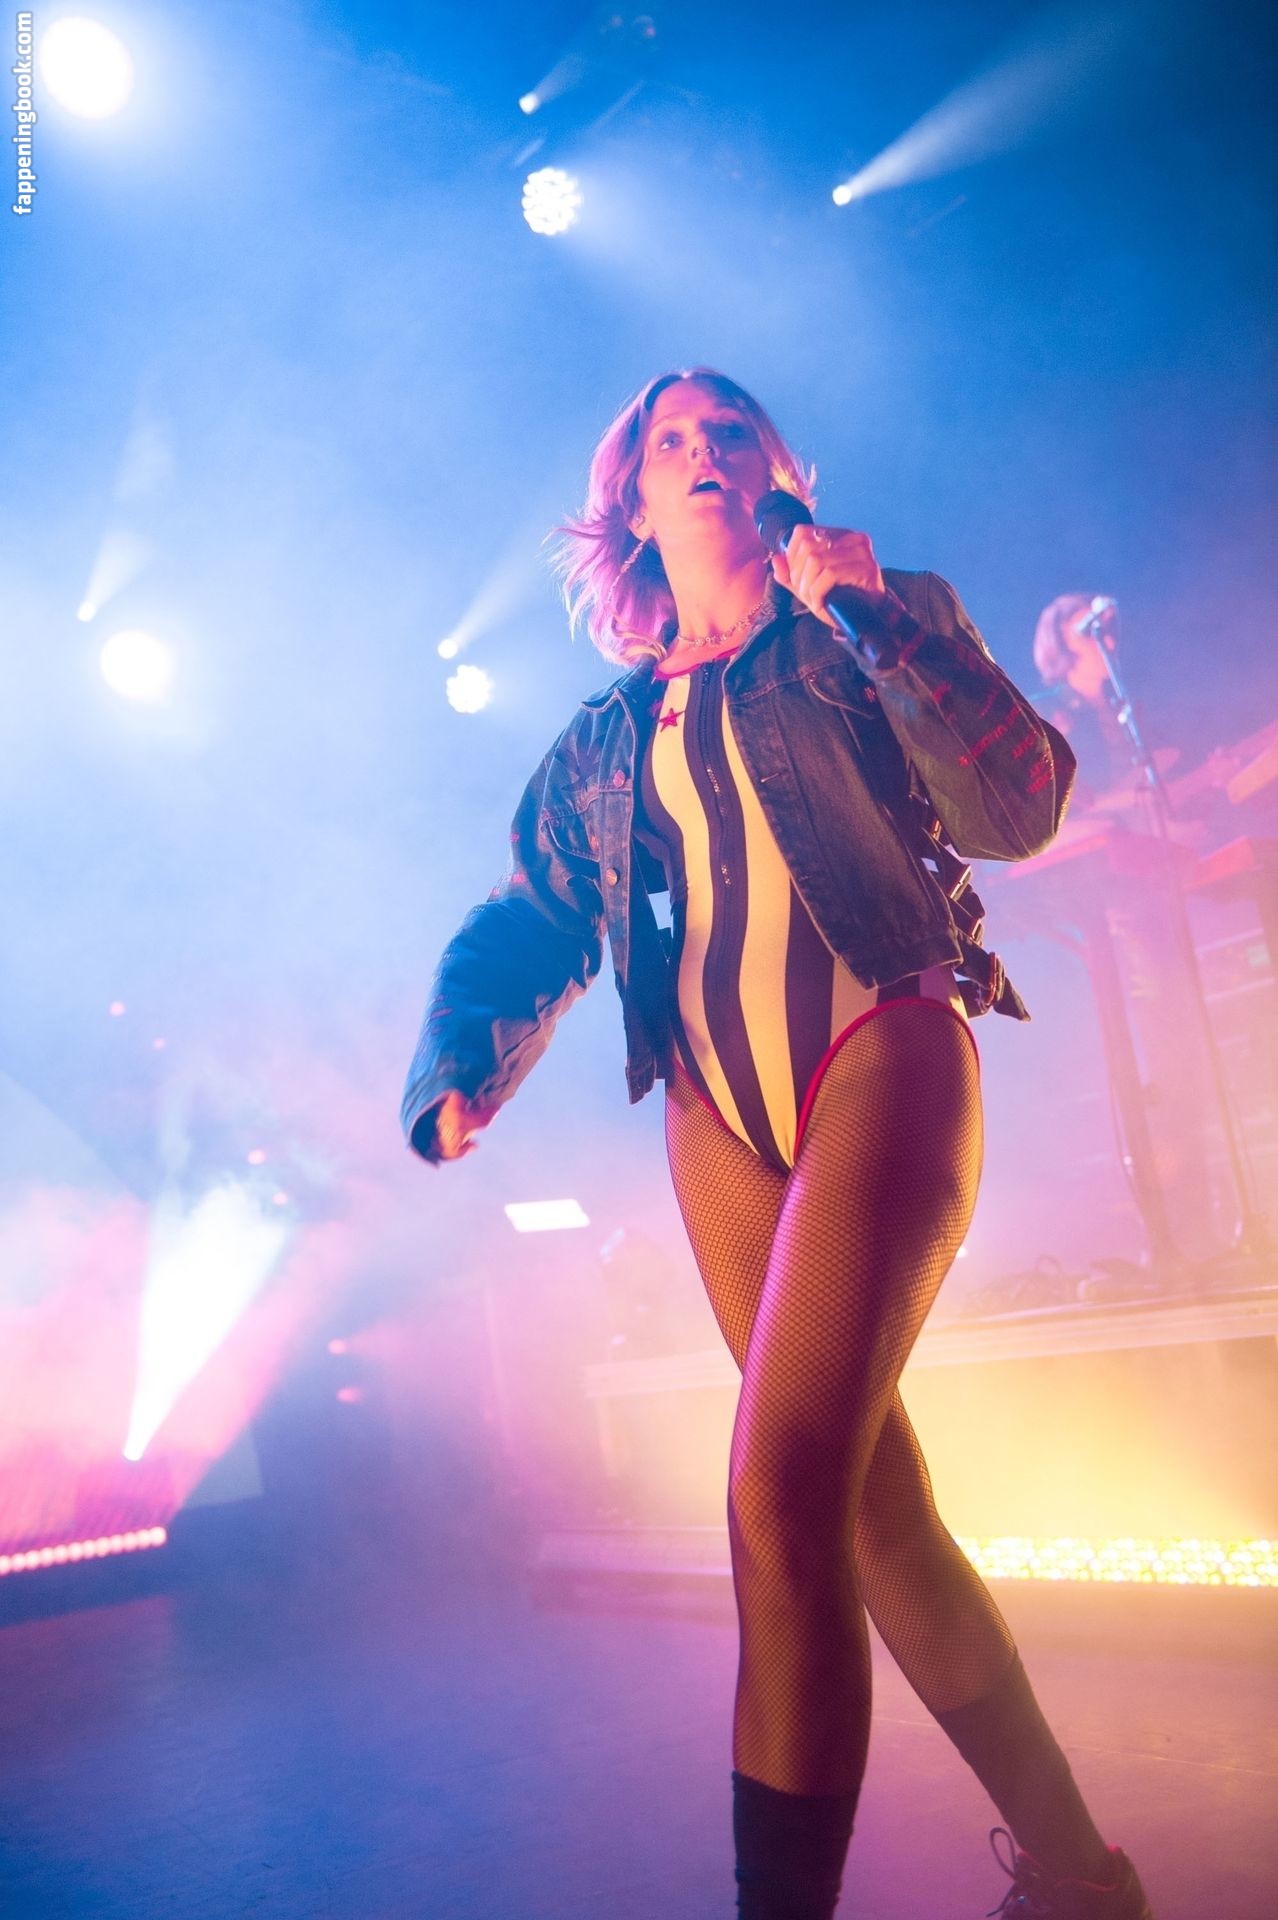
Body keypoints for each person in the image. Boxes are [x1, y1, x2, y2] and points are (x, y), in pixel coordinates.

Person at [402, 370, 1154, 1919]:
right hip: (711, 1113)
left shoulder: (864, 624)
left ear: (776, 472)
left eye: (727, 433)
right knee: (872, 1513)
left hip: (884, 1041)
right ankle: (1084, 1882)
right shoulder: (604, 739)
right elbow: (533, 913)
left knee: (774, 1496)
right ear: (631, 501)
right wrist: (462, 1065)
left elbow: (1017, 808)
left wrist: (866, 613)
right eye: (667, 441)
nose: (699, 452)